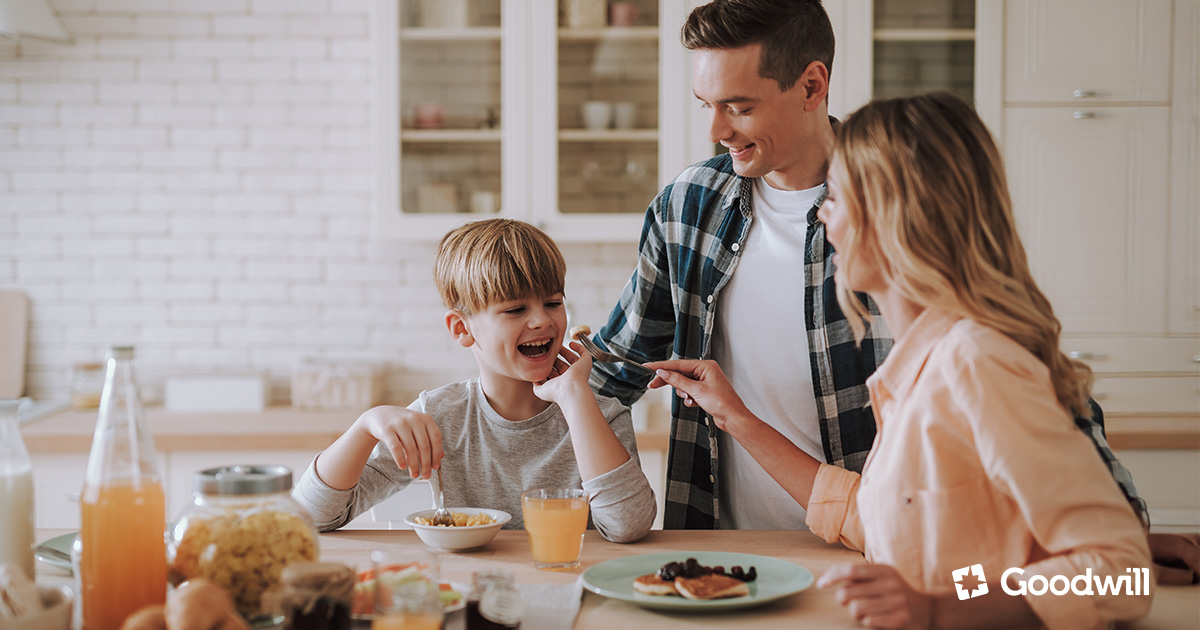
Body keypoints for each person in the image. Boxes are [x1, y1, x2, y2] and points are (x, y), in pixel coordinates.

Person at [588, 0, 1147, 535]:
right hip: (734, 547)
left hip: (875, 553)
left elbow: (1027, 377)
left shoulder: (889, 212)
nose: (716, 131)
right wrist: (512, 385)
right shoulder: (689, 206)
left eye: (739, 106)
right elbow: (613, 374)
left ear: (812, 85)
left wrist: (1109, 537)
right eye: (705, 104)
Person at [654, 92, 1154, 628]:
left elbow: (1120, 574)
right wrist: (736, 419)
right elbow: (875, 517)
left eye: (837, 198)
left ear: (895, 216)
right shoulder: (917, 369)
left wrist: (937, 607)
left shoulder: (975, 362)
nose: (823, 217)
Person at [294, 219, 656, 543]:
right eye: (516, 309)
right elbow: (311, 516)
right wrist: (365, 425)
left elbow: (628, 526)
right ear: (462, 328)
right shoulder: (440, 416)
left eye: (553, 303)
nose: (542, 321)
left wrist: (575, 396)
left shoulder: (601, 415)